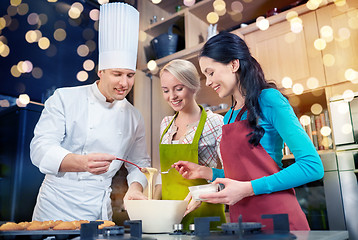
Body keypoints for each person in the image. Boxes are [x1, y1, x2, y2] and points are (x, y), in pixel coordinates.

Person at [172, 32, 324, 230]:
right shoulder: (229, 117)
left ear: (234, 65)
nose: (207, 82)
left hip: (279, 221)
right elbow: (243, 176)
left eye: (210, 72)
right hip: (243, 224)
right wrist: (205, 172)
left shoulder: (269, 100)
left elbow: (312, 166)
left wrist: (248, 189)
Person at [30, 2, 150, 221]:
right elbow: (39, 150)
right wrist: (82, 162)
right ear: (100, 71)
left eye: (130, 75)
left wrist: (135, 189)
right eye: (117, 74)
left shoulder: (134, 117)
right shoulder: (65, 98)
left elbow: (140, 165)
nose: (124, 83)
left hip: (98, 210)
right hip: (55, 207)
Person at [157, 59, 226, 230]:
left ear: (194, 86)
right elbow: (164, 174)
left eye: (178, 89)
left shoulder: (216, 123)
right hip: (170, 218)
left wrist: (202, 194)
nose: (172, 96)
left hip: (205, 216)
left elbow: (231, 176)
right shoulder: (166, 124)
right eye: (166, 90)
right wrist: (152, 205)